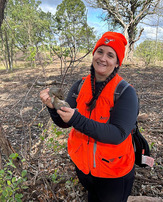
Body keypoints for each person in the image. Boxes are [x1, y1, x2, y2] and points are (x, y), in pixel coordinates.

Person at [40, 31, 138, 202]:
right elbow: (64, 123)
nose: (103, 58)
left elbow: (118, 134)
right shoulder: (80, 85)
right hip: (84, 168)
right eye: (100, 51)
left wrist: (76, 119)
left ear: (117, 63)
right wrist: (52, 107)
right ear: (93, 54)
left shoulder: (125, 92)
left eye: (110, 55)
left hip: (113, 174)